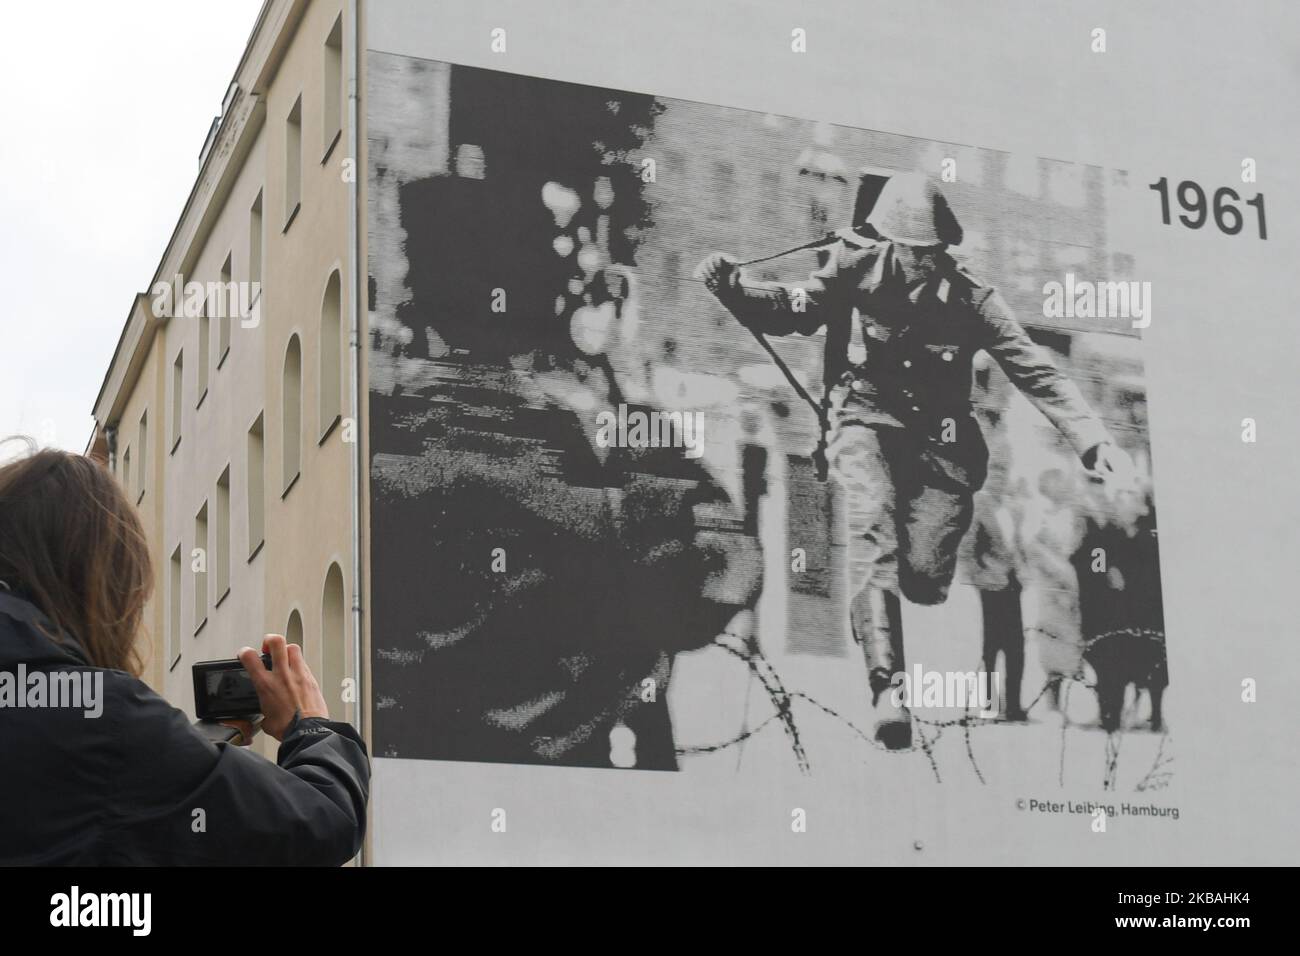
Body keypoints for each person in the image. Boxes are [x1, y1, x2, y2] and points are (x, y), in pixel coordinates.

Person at [699, 172, 1135, 749]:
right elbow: (795, 307)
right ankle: (888, 690)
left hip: (942, 448)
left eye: (930, 253)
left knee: (925, 579)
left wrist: (1095, 439)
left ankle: (913, 586)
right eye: (910, 251)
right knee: (869, 530)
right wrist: (734, 287)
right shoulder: (853, 267)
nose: (920, 263)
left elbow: (1035, 369)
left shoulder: (972, 296)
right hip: (865, 421)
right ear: (888, 243)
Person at [0, 443, 369, 865]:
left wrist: (190, 751)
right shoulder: (104, 721)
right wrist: (314, 728)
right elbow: (322, 821)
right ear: (103, 584)